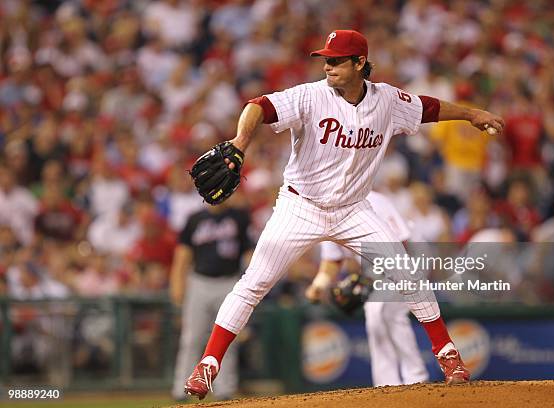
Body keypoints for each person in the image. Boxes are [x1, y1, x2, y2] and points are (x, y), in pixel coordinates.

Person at [185, 29, 504, 399]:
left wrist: (472, 114)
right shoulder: (309, 95)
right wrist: (241, 142)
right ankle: (208, 364)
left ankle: (448, 355)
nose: (328, 66)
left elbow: (429, 108)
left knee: (406, 273)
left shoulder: (387, 100)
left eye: (337, 60)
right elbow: (258, 105)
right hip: (300, 206)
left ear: (360, 63)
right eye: (326, 59)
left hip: (354, 210)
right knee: (254, 283)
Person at [305, 190, 429, 386]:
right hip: (376, 269)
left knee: (388, 313)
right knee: (375, 316)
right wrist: (319, 284)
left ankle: (416, 377)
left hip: (411, 256)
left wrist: (374, 278)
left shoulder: (375, 201)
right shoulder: (325, 214)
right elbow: (332, 259)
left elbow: (401, 243)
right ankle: (387, 384)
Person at [170, 200, 251, 401]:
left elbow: (249, 253)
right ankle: (181, 389)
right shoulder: (195, 219)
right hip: (199, 282)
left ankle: (225, 390)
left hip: (229, 282)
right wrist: (177, 284)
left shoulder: (239, 217)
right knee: (191, 338)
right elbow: (183, 255)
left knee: (227, 340)